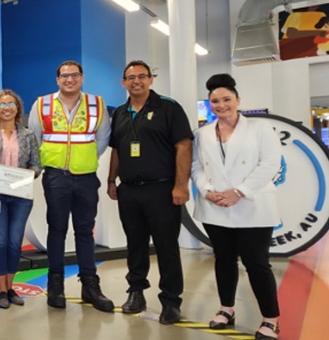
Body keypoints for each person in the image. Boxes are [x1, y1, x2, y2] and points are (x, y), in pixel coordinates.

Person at [192, 74, 281, 340]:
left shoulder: (260, 128)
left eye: (226, 99)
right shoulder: (202, 134)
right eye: (215, 101)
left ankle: (270, 319)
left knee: (257, 263)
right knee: (224, 261)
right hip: (215, 207)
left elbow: (270, 163)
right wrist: (207, 191)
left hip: (252, 206)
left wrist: (239, 192)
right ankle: (226, 309)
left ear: (237, 100)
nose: (221, 105)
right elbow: (196, 166)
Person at [106, 60, 192, 324]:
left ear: (150, 79)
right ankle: (136, 292)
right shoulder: (120, 113)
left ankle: (170, 300)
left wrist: (181, 185)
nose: (136, 81)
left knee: (167, 247)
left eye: (142, 76)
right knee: (135, 245)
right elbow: (118, 149)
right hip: (129, 191)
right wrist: (111, 180)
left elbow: (183, 146)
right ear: (123, 83)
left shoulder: (169, 107)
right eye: (130, 78)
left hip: (162, 189)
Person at [26, 60, 113, 312]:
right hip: (55, 176)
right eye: (64, 76)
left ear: (82, 78)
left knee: (85, 231)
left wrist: (84, 160)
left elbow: (103, 138)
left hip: (86, 176)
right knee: (57, 230)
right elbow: (35, 138)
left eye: (74, 75)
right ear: (57, 80)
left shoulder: (96, 104)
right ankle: (55, 286)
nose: (69, 80)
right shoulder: (41, 104)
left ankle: (90, 286)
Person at [0, 89, 41, 309]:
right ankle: (1, 290)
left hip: (20, 197)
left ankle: (11, 287)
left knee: (14, 242)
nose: (6, 107)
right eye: (2, 104)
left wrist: (24, 178)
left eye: (10, 103)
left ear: (17, 108)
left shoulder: (29, 135)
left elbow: (36, 165)